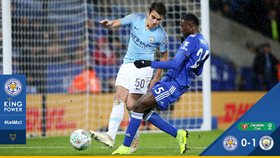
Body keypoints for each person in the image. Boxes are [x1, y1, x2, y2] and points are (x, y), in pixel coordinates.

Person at [112, 13, 210, 155]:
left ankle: (126, 146)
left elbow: (175, 64)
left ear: (191, 26)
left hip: (174, 83)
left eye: (183, 27)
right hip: (173, 80)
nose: (180, 29)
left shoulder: (191, 41)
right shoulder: (205, 44)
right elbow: (198, 71)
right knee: (144, 110)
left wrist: (148, 63)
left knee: (138, 106)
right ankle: (178, 134)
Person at [90, 1, 168, 153]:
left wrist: (156, 78)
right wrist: (109, 24)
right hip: (127, 64)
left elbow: (164, 57)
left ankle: (133, 140)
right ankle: (110, 136)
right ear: (149, 12)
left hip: (144, 69)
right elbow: (117, 23)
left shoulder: (161, 34)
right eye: (153, 17)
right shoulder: (135, 18)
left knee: (132, 105)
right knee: (119, 96)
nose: (155, 22)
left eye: (159, 19)